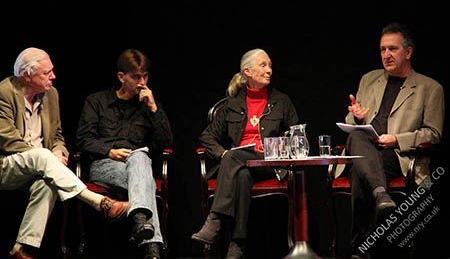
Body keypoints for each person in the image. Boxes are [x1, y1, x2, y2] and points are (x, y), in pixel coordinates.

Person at [0, 47, 129, 259]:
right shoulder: (4, 93)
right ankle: (100, 203)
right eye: (46, 73)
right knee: (42, 156)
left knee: (48, 184)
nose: (53, 76)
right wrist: (47, 157)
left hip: (38, 167)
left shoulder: (51, 95)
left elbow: (57, 136)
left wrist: (58, 152)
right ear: (26, 75)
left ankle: (21, 248)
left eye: (52, 70)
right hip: (7, 166)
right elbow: (8, 140)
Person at [344, 23, 445, 256]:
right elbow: (351, 118)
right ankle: (380, 194)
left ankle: (361, 247)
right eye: (382, 50)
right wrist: (357, 117)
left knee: (359, 169)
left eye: (392, 49)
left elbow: (433, 133)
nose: (386, 55)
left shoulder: (430, 88)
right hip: (367, 149)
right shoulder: (369, 79)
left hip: (398, 156)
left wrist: (396, 139)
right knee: (359, 141)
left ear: (408, 52)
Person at [191, 48, 299, 259]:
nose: (269, 70)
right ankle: (237, 244)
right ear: (247, 71)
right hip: (242, 164)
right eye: (263, 65)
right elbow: (207, 136)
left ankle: (215, 219)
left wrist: (281, 149)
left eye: (269, 65)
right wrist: (221, 153)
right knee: (240, 173)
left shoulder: (281, 101)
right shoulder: (233, 104)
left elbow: (297, 136)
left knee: (232, 158)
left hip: (270, 163)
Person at [76, 49, 173, 259]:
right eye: (136, 76)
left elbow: (166, 143)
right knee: (144, 175)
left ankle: (141, 225)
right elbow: (83, 140)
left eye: (145, 76)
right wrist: (110, 151)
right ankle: (152, 244)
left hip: (137, 165)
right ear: (122, 77)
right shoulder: (97, 101)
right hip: (104, 165)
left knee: (139, 157)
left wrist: (154, 108)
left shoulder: (148, 105)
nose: (142, 82)